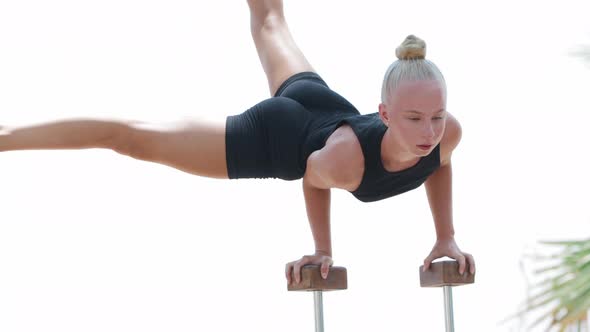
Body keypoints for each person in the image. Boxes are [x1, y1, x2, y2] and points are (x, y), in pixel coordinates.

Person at [0, 0, 475, 284]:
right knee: (128, 138)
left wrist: (445, 235)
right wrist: (323, 248)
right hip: (279, 136)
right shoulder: (345, 162)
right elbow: (314, 179)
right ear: (386, 113)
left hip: (321, 103)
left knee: (269, 16)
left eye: (435, 115)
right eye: (414, 119)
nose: (428, 132)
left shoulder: (445, 133)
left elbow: (441, 162)